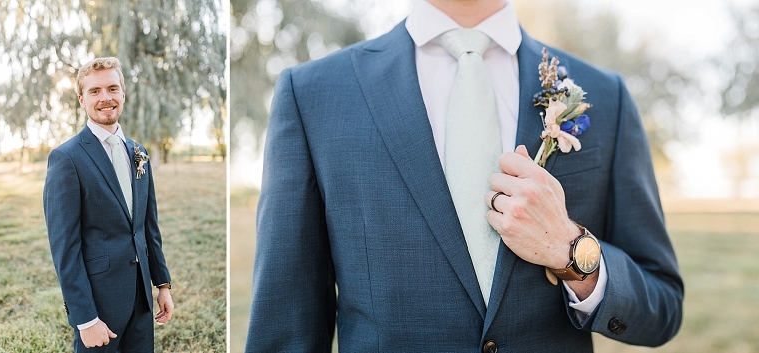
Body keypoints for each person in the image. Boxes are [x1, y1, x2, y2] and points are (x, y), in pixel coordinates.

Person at [246, 0, 683, 351]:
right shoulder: (313, 95)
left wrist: (572, 251)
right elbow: (285, 331)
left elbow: (661, 308)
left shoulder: (604, 96)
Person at [44, 57, 174, 352]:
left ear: (123, 94)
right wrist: (86, 319)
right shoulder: (67, 159)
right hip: (99, 306)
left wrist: (162, 284)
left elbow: (147, 227)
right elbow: (65, 247)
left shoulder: (139, 153)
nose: (106, 98)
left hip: (141, 301)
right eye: (95, 91)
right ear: (81, 99)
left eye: (113, 88)